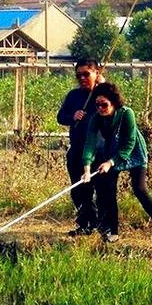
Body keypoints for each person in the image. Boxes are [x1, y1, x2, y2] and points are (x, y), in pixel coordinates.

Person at [81, 82, 152, 243]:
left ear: (113, 102)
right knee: (109, 191)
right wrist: (87, 169)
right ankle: (113, 231)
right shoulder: (96, 119)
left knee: (140, 189)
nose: (100, 108)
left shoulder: (126, 113)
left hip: (133, 152)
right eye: (97, 105)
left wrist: (110, 162)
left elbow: (129, 144)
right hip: (112, 152)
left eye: (104, 104)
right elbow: (90, 144)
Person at [57, 58, 104, 236]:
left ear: (96, 74)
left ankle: (103, 225)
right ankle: (85, 224)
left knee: (100, 190)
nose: (82, 78)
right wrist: (72, 116)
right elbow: (60, 117)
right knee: (78, 190)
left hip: (98, 151)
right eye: (79, 75)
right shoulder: (73, 96)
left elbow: (117, 106)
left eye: (86, 74)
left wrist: (104, 85)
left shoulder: (102, 94)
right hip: (76, 149)